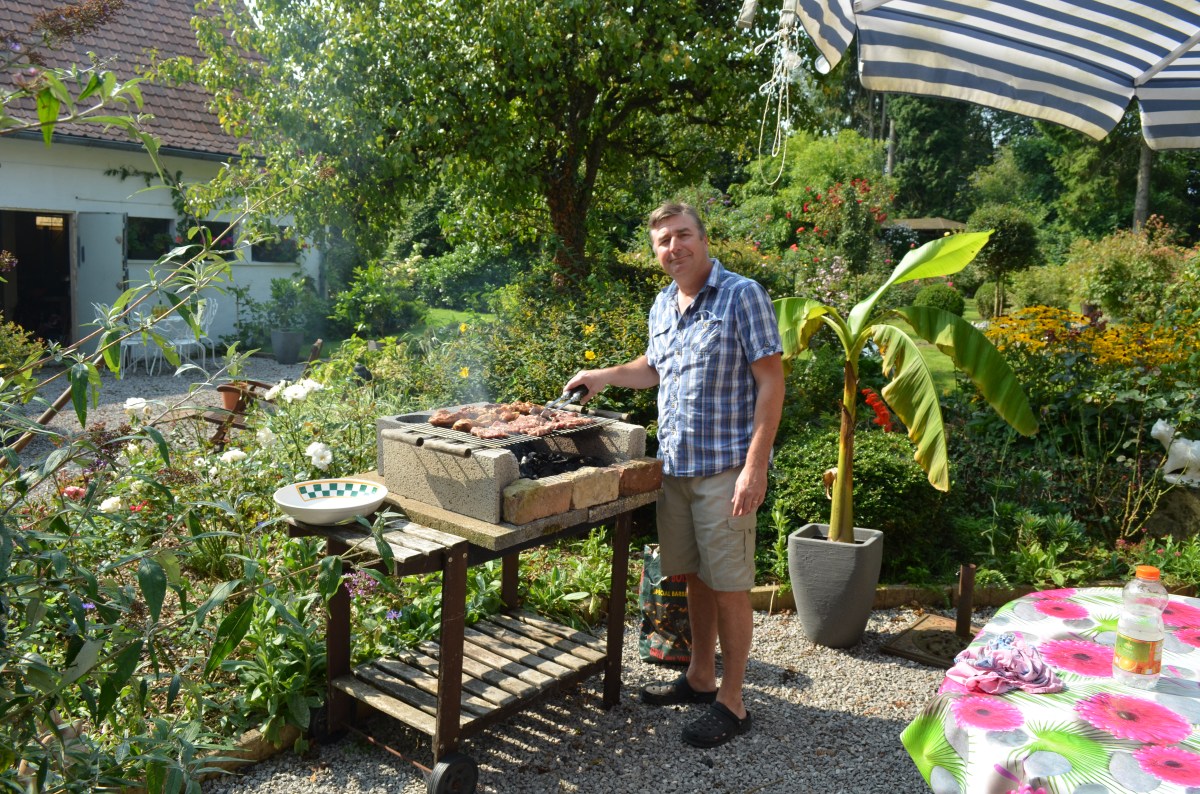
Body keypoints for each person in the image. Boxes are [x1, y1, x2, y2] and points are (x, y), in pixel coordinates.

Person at [565, 201, 784, 748]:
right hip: (677, 468)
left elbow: (771, 382)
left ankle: (733, 703)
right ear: (656, 252)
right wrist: (602, 376)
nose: (674, 247)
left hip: (725, 470)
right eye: (663, 241)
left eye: (683, 235)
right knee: (694, 577)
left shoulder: (741, 295)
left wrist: (755, 466)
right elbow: (653, 368)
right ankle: (700, 677)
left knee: (729, 586)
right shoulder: (664, 303)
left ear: (704, 240)